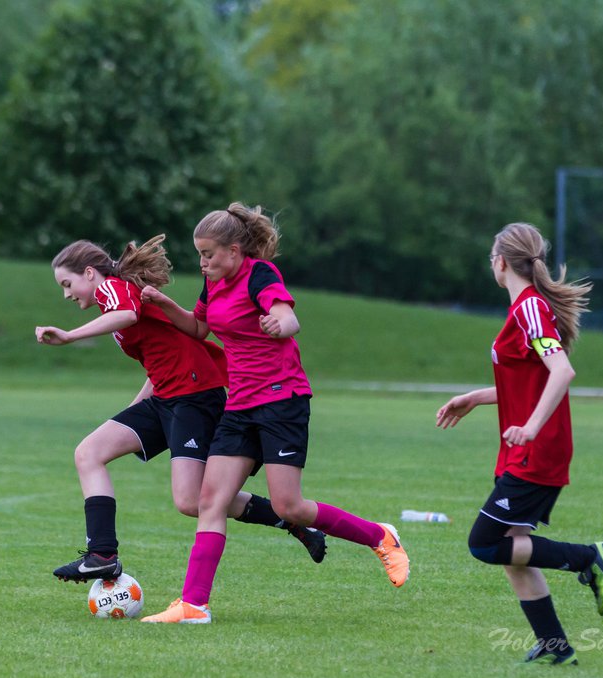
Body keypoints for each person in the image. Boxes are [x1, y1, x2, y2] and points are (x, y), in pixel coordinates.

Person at [137, 203, 409, 624]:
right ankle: (193, 605)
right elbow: (197, 328)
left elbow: (287, 316)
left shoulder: (260, 275)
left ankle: (380, 536)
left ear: (234, 250)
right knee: (210, 500)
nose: (203, 262)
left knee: (290, 507)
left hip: (282, 402)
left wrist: (279, 325)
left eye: (209, 254)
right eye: (199, 254)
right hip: (239, 405)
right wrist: (162, 303)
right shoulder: (214, 284)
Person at [36, 234, 327, 584]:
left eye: (68, 284)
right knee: (89, 453)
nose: (67, 294)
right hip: (165, 397)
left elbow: (127, 315)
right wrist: (131, 413)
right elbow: (159, 359)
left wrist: (69, 336)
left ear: (89, 273)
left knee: (192, 501)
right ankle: (102, 555)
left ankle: (291, 520)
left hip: (194, 397)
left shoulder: (111, 290)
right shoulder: (113, 299)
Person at [435, 223, 603, 666]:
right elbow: (528, 380)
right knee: (515, 548)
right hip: (520, 447)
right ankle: (557, 646)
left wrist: (532, 427)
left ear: (500, 262)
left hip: (536, 448)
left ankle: (590, 559)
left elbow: (562, 371)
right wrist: (477, 397)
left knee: (484, 543)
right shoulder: (524, 309)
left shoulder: (529, 308)